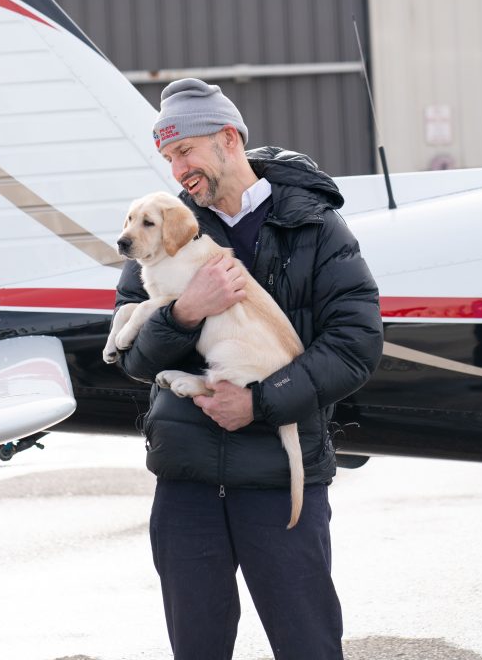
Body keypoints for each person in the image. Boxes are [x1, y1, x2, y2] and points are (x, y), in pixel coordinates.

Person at [113, 78, 383, 660]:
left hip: (279, 476)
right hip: (187, 480)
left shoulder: (316, 227)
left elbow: (355, 343)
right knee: (198, 648)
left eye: (185, 151)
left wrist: (260, 403)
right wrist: (185, 314)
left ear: (229, 139)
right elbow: (134, 360)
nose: (177, 169)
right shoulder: (161, 226)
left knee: (307, 644)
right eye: (167, 158)